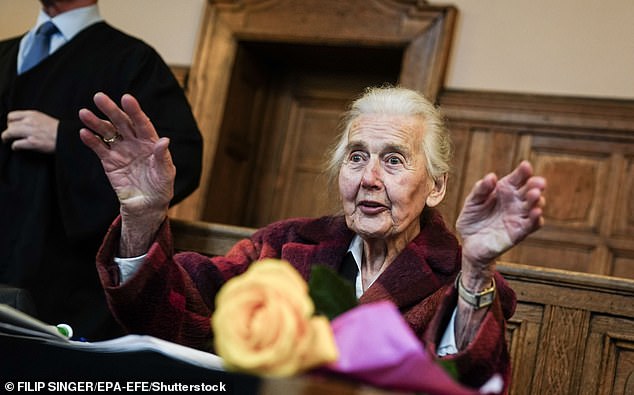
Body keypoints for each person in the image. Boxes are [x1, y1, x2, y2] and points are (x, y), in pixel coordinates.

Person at [78, 86, 546, 391]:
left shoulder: (463, 280)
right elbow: (169, 311)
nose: (370, 178)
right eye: (357, 157)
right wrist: (143, 214)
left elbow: (470, 378)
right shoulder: (284, 247)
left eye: (395, 160)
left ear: (436, 186)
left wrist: (477, 267)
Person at [0, 0, 202, 340]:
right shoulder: (4, 54)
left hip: (66, 294)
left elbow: (176, 160)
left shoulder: (134, 62)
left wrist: (65, 139)